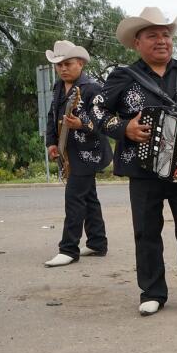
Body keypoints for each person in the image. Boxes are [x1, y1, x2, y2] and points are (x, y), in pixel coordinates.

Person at [90, 7, 177, 317]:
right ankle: (152, 291)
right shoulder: (123, 77)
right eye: (152, 35)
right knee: (145, 230)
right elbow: (96, 111)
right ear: (137, 43)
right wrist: (124, 128)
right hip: (142, 169)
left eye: (165, 35)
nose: (161, 41)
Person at [43, 40, 111, 267]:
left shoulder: (92, 88)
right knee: (88, 197)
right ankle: (97, 242)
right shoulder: (57, 87)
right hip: (68, 151)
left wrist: (82, 124)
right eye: (58, 64)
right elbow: (53, 116)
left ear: (80, 63)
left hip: (88, 152)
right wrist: (51, 142)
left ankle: (69, 249)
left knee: (74, 198)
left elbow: (104, 122)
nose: (62, 68)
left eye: (67, 63)